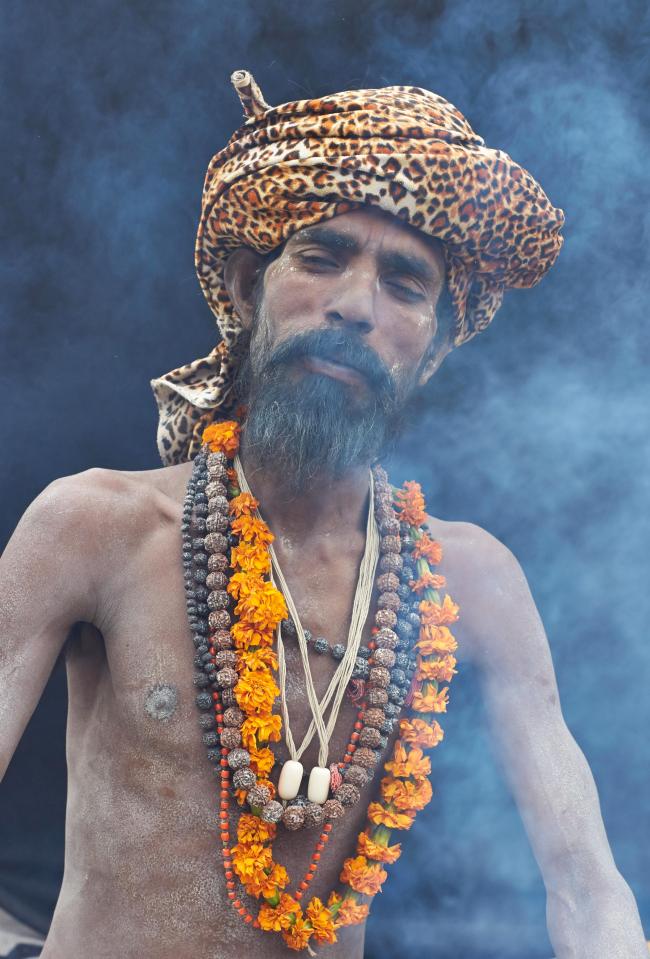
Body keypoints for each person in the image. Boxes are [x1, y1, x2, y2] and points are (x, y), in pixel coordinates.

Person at [1, 70, 647, 959]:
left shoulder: (471, 583)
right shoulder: (95, 526)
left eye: (406, 283)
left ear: (435, 348)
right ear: (244, 287)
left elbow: (587, 884)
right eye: (321, 255)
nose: (356, 304)